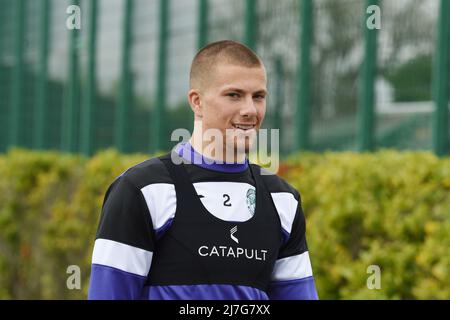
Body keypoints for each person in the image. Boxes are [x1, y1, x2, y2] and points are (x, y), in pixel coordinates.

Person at [88, 40, 319, 300]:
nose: (250, 110)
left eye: (258, 96)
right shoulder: (142, 189)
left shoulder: (283, 199)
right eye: (234, 95)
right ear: (197, 102)